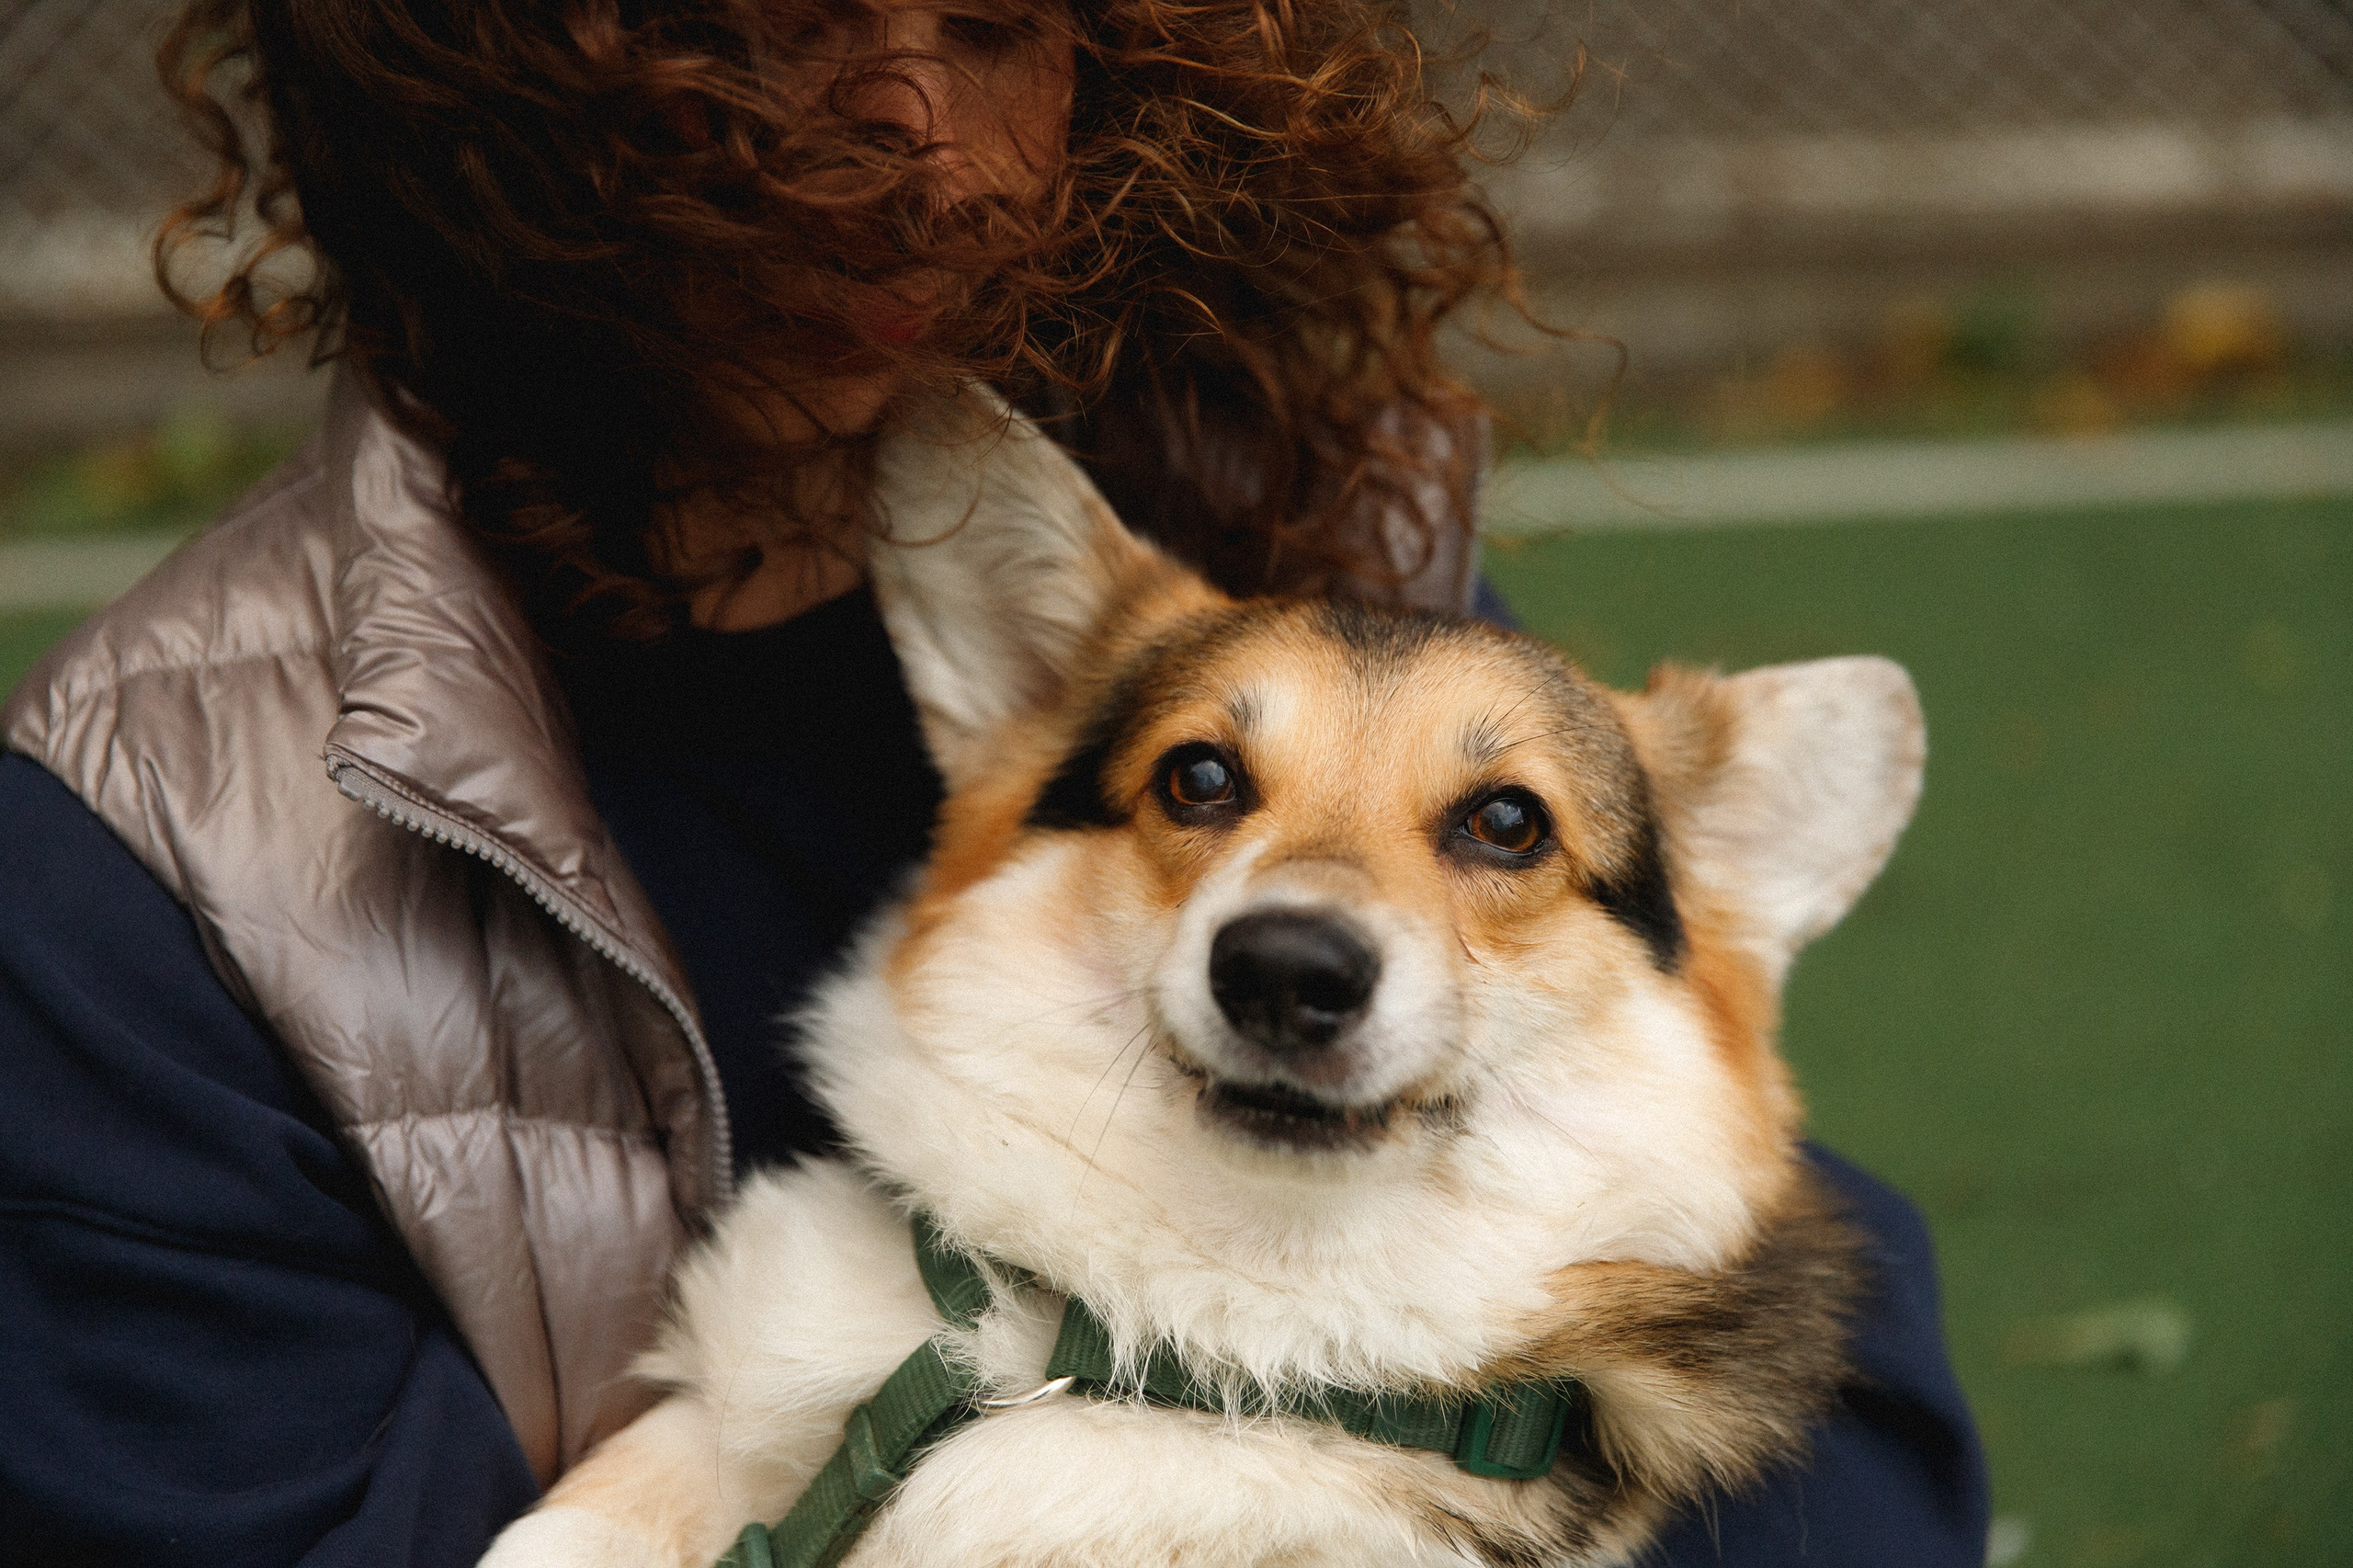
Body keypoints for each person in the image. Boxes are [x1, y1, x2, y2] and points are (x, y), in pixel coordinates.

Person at [0, 1, 1987, 1562]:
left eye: (995, 23)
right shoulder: (144, 860)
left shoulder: (1264, 524)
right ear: (504, 78)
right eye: (764, 23)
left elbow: (1793, 1343)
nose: (913, 138)